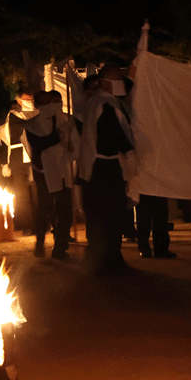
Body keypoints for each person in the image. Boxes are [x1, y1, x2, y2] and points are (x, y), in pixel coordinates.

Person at [78, 63, 136, 274]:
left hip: (93, 166)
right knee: (111, 212)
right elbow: (113, 133)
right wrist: (129, 152)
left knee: (98, 213)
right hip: (105, 166)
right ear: (107, 82)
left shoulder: (96, 102)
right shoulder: (105, 104)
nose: (121, 84)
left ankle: (101, 257)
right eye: (118, 79)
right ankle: (109, 258)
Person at [18, 90, 79, 260]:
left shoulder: (63, 120)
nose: (49, 106)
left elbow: (73, 145)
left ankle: (60, 247)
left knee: (65, 209)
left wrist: (70, 149)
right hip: (43, 171)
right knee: (44, 208)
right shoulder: (31, 126)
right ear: (37, 105)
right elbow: (39, 145)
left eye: (50, 102)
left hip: (62, 170)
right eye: (44, 103)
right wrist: (58, 134)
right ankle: (40, 243)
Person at [0, 87, 38, 232]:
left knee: (37, 191)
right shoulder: (13, 116)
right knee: (21, 192)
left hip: (36, 155)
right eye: (26, 99)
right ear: (18, 101)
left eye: (31, 99)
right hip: (18, 156)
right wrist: (5, 163)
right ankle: (25, 223)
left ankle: (40, 222)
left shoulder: (39, 114)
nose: (29, 102)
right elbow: (7, 141)